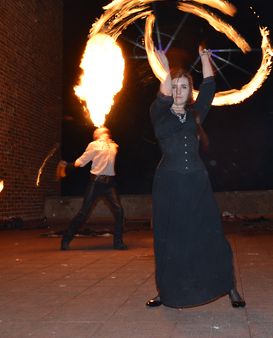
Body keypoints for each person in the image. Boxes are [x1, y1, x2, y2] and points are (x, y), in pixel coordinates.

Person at [146, 45, 245, 309]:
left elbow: (210, 86)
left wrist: (204, 58)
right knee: (169, 239)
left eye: (184, 87)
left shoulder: (196, 113)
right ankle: (166, 290)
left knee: (211, 235)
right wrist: (165, 68)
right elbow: (164, 92)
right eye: (175, 86)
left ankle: (229, 285)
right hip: (168, 183)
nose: (178, 91)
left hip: (197, 182)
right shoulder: (158, 112)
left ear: (191, 92)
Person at [60, 127, 127, 251]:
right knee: (83, 212)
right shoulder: (93, 145)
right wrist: (67, 167)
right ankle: (66, 238)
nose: (104, 130)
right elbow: (82, 161)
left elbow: (112, 148)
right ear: (96, 135)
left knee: (119, 211)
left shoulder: (113, 146)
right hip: (95, 183)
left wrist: (107, 140)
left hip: (109, 184)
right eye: (101, 130)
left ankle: (118, 242)